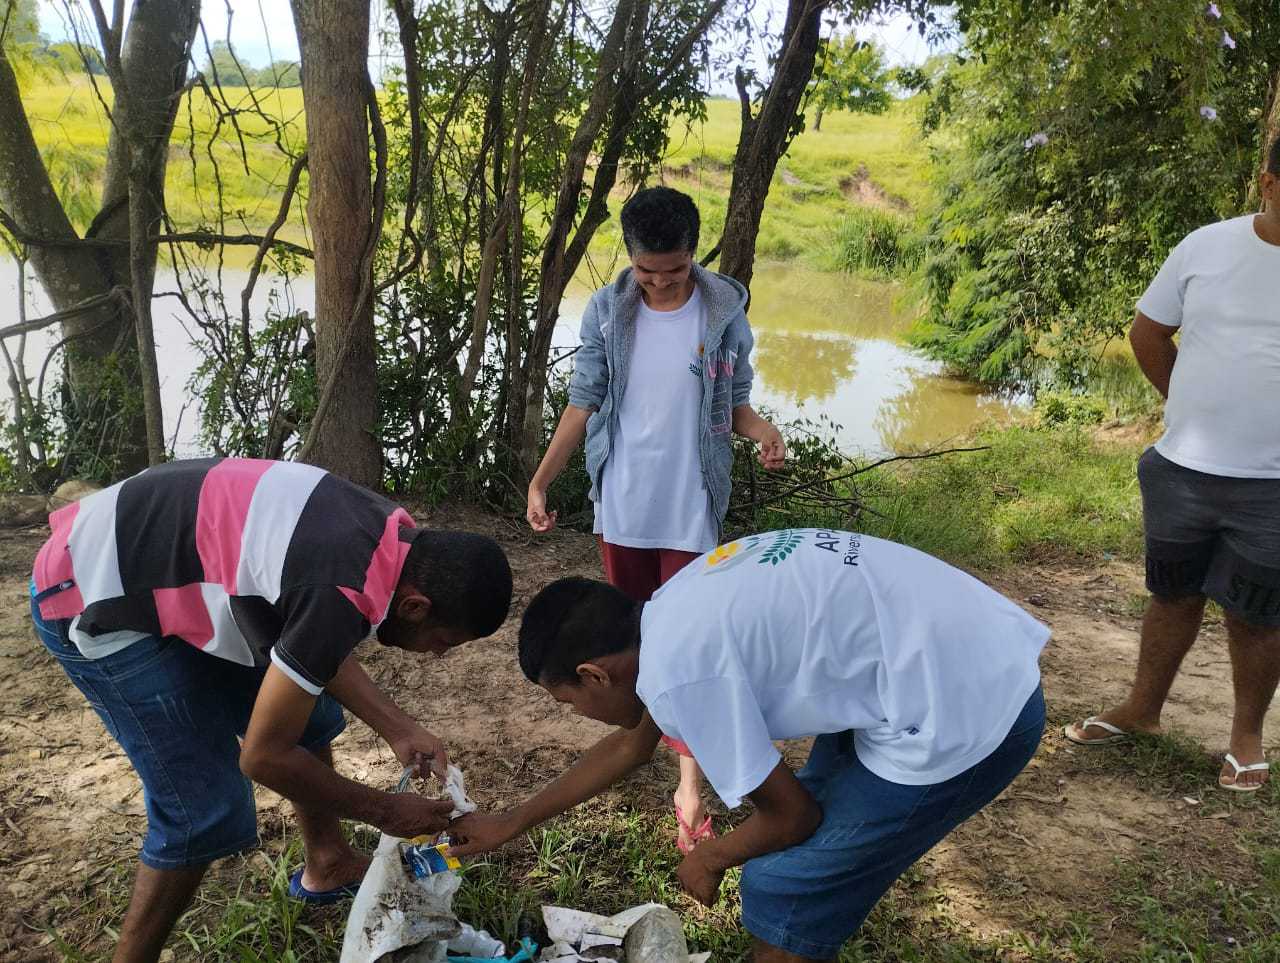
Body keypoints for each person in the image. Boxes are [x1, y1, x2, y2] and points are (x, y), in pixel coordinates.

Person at [450, 528, 1048, 962]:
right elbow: (630, 747)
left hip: (967, 709)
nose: (579, 715)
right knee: (798, 855)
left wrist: (709, 858)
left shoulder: (682, 675)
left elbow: (792, 816)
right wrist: (511, 821)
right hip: (957, 650)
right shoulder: (666, 614)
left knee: (782, 886)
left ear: (594, 675)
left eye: (568, 702)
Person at [29, 457, 513, 963]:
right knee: (205, 811)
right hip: (90, 592)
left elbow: (316, 638)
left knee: (309, 716)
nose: (436, 654)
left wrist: (398, 727)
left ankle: (328, 861)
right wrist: (385, 811)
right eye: (443, 641)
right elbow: (262, 757)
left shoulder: (394, 537)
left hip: (164, 563)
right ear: (415, 607)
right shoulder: (339, 587)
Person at [526, 185, 785, 853]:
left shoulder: (724, 312)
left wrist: (763, 431)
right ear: (630, 258)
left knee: (690, 641)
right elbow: (583, 401)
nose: (662, 284)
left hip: (691, 505)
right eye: (647, 273)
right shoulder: (607, 312)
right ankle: (640, 741)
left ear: (693, 254)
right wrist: (542, 479)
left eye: (674, 271)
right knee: (637, 640)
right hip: (625, 505)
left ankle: (689, 787)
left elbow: (734, 404)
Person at [1064, 139, 1280, 793]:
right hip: (1183, 470)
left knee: (1258, 612)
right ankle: (1142, 710)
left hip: (1273, 484)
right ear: (1269, 183)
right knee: (1172, 594)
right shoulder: (1206, 247)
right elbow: (1149, 332)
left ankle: (1245, 738)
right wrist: (1183, 406)